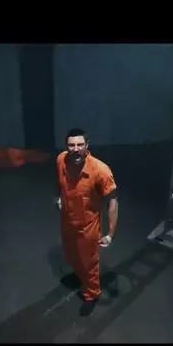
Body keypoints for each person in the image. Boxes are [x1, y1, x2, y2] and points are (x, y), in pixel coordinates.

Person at [55, 128, 118, 316]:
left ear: (87, 146)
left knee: (89, 262)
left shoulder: (100, 171)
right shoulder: (61, 160)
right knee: (71, 255)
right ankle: (80, 276)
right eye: (71, 145)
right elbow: (60, 183)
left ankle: (91, 294)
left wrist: (110, 234)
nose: (75, 149)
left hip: (88, 227)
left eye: (80, 144)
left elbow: (113, 202)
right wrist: (58, 198)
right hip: (67, 221)